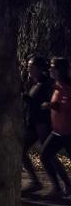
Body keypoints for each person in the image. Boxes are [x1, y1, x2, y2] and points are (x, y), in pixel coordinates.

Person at [21, 56, 57, 193]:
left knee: (48, 155)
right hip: (33, 123)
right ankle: (36, 182)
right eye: (28, 65)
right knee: (22, 151)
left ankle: (59, 186)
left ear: (40, 68)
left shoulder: (46, 84)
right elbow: (33, 101)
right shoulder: (35, 82)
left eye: (32, 66)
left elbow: (46, 104)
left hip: (41, 124)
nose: (28, 68)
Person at [40, 57, 71, 198]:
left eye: (53, 67)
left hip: (68, 132)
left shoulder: (67, 86)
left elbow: (66, 106)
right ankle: (60, 187)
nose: (50, 69)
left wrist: (51, 105)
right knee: (45, 155)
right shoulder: (57, 85)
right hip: (58, 132)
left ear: (60, 70)